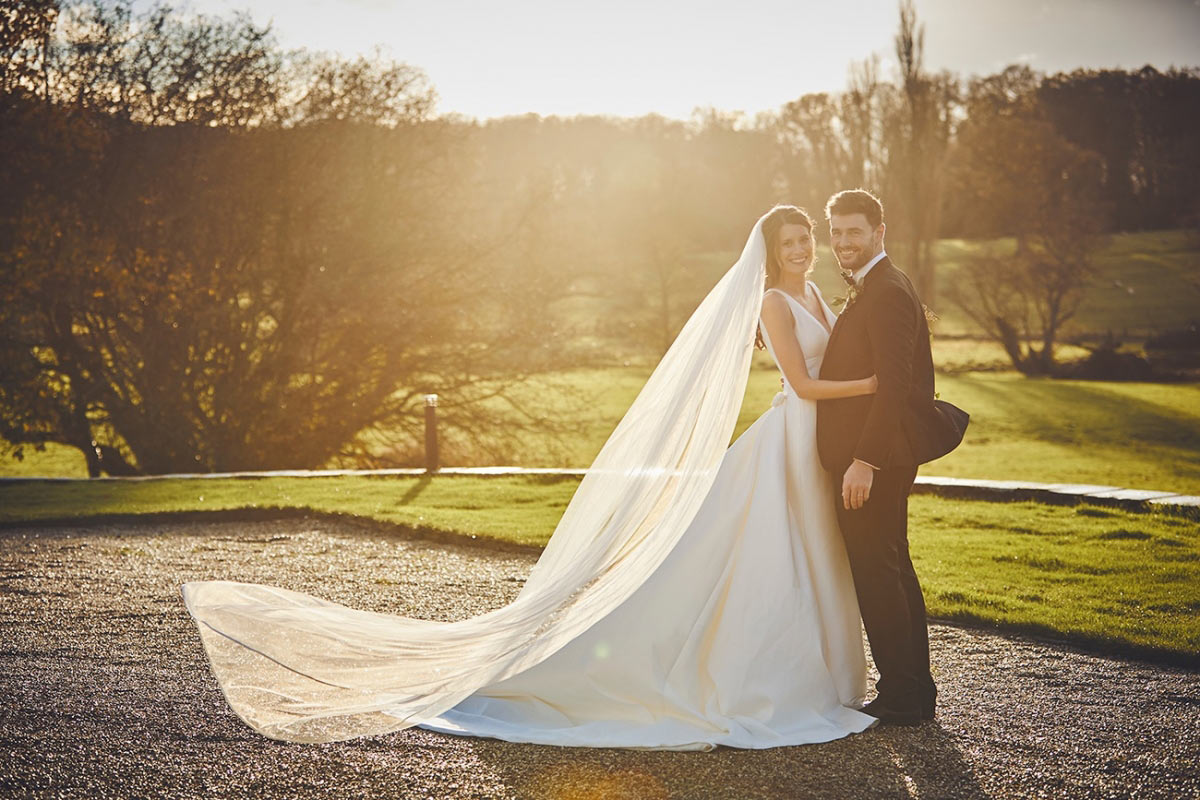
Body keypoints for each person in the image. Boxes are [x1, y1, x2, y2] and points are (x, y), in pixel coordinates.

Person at [180, 205, 882, 749]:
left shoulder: (817, 292)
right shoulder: (771, 303)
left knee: (808, 554)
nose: (800, 249)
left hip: (813, 446)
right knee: (765, 556)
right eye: (788, 242)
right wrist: (876, 386)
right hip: (790, 437)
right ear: (769, 251)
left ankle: (819, 673)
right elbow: (801, 384)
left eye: (805, 239)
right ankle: (749, 678)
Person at [816, 188, 955, 726]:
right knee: (890, 567)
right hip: (875, 457)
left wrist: (865, 461)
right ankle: (913, 691)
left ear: (879, 231)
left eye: (855, 231)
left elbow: (894, 386)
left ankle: (903, 695)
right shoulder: (875, 286)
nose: (844, 241)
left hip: (875, 459)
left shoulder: (888, 290)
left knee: (879, 572)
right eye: (837, 232)